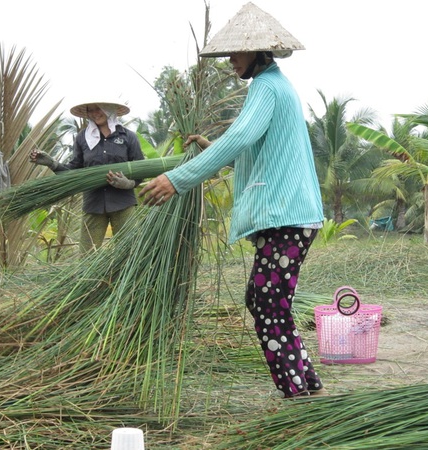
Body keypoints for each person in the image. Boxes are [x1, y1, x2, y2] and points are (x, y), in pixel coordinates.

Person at [139, 3, 326, 398]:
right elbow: (252, 144)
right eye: (229, 54)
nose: (231, 61)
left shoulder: (265, 86)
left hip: (286, 216)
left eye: (236, 53)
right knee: (268, 301)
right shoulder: (278, 85)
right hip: (291, 215)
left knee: (265, 303)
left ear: (259, 52)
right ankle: (305, 382)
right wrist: (211, 146)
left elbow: (240, 138)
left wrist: (178, 179)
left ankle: (295, 393)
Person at [30, 100, 144, 254]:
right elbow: (74, 172)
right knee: (87, 255)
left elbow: (141, 169)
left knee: (128, 253)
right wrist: (52, 163)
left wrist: (128, 184)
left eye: (99, 109)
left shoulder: (128, 136)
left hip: (123, 203)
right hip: (93, 204)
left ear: (109, 109)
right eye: (91, 110)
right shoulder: (82, 138)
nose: (95, 113)